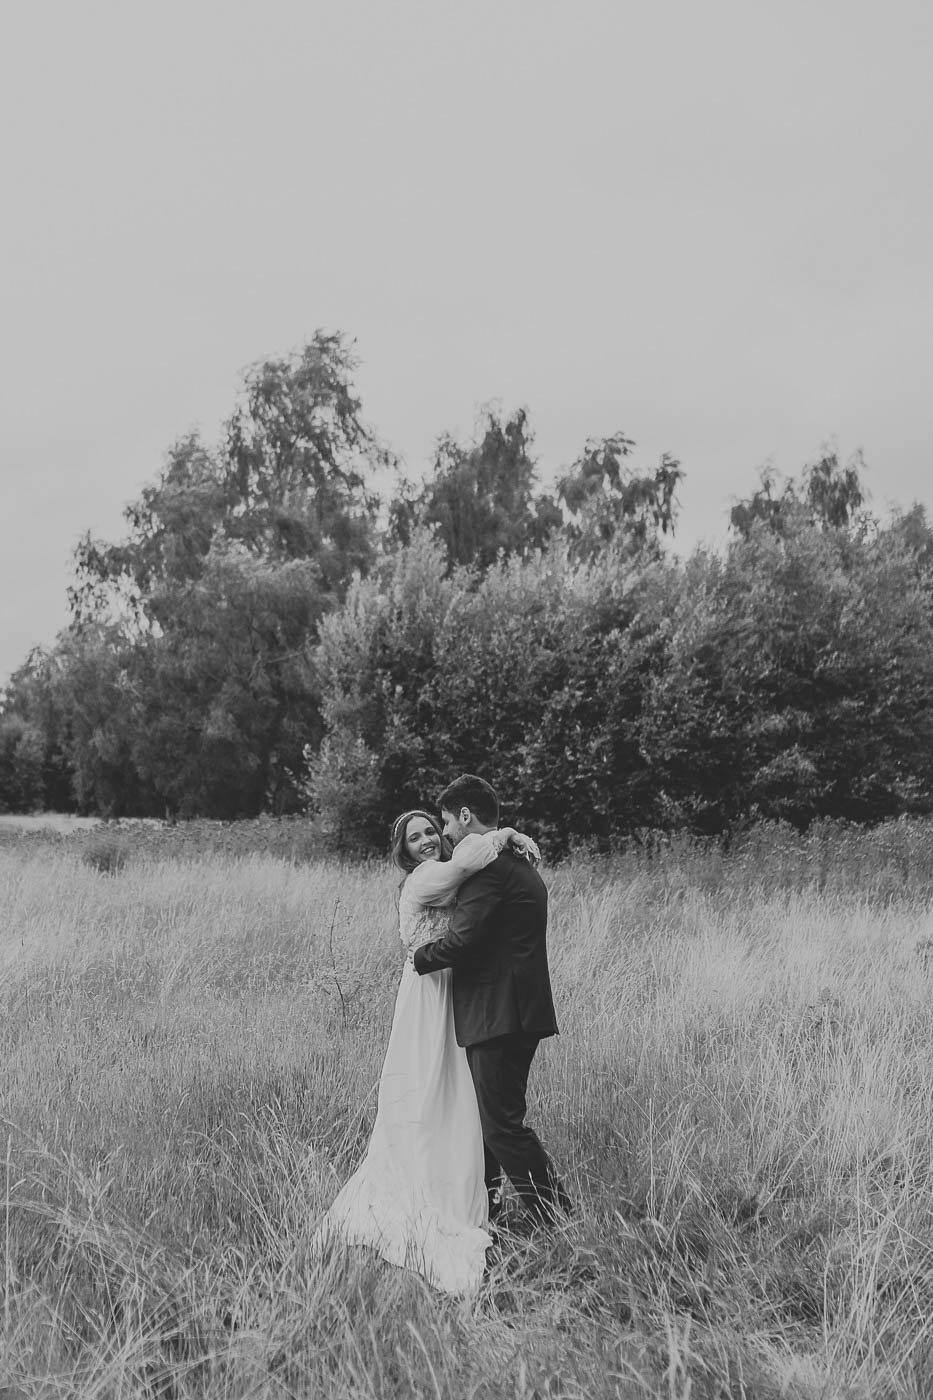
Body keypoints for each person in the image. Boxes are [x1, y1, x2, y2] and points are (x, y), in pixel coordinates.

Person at [315, 807, 539, 1294]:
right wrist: (505, 832)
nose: (425, 841)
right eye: (415, 838)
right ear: (405, 851)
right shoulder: (424, 880)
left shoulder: (446, 872)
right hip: (427, 996)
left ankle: (472, 1190)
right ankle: (428, 1189)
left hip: (456, 994)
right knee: (424, 1089)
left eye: (430, 832)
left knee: (459, 1097)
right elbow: (468, 860)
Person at [413, 775, 572, 1229]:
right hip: (515, 1011)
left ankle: (556, 1218)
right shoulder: (513, 860)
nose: (443, 835)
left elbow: (460, 941)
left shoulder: (491, 870)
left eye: (445, 822)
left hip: (500, 1013)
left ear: (466, 816)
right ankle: (487, 1209)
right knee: (493, 1121)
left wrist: (417, 958)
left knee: (502, 1125)